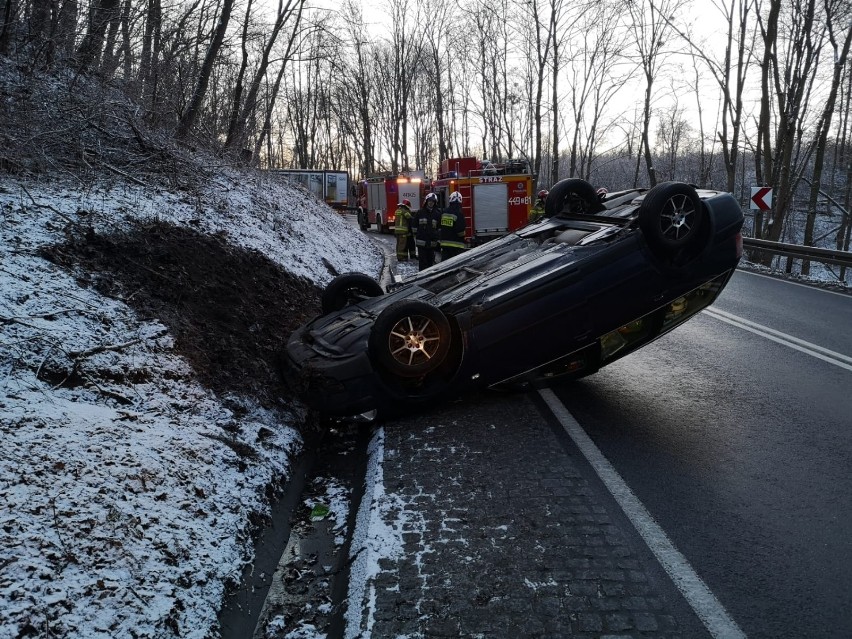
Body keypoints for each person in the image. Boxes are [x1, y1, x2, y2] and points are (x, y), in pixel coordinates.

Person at [411, 192, 441, 270]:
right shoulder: (420, 213)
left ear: (435, 203)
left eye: (433, 201)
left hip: (432, 244)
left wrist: (436, 236)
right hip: (422, 244)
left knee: (430, 264)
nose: (431, 203)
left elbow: (439, 228)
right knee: (422, 263)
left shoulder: (437, 214)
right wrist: (418, 235)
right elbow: (414, 226)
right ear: (426, 201)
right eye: (430, 201)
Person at [439, 191, 467, 260]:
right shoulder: (459, 214)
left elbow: (439, 227)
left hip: (444, 245)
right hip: (457, 246)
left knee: (445, 266)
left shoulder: (444, 212)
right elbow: (460, 232)